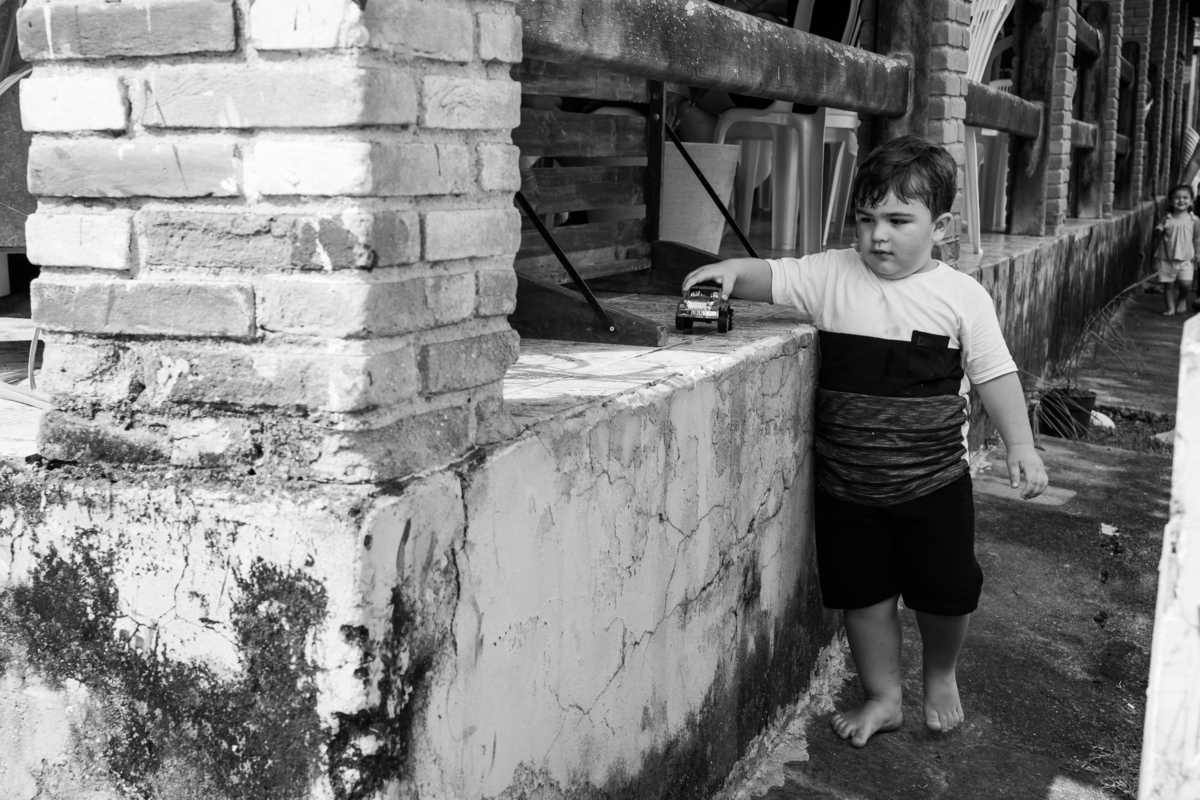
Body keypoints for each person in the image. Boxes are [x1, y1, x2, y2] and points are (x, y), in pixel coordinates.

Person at [681, 135, 1049, 748]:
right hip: (847, 487)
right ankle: (883, 697)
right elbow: (771, 275)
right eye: (866, 218)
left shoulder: (961, 296)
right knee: (865, 598)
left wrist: (1021, 445)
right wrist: (731, 271)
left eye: (899, 221)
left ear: (941, 227)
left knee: (946, 595)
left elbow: (995, 374)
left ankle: (940, 675)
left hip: (933, 484)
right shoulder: (831, 273)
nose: (878, 236)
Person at [1152, 184, 1199, 316]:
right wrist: (1160, 226)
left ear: (1191, 201)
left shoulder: (1194, 220)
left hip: (1187, 258)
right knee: (1168, 284)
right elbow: (1156, 235)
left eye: (1185, 197)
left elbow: (1197, 238)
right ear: (1171, 201)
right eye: (1177, 198)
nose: (1181, 200)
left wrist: (1198, 252)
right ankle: (1170, 308)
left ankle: (1182, 299)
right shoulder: (1167, 218)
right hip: (1166, 257)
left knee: (1186, 284)